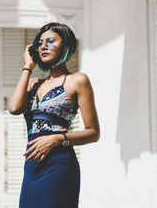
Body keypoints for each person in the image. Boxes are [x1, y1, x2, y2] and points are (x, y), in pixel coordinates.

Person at [8, 22, 100, 208]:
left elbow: (93, 132)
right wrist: (28, 66)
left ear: (65, 45)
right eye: (40, 43)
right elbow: (14, 108)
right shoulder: (32, 83)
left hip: (59, 165)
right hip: (33, 167)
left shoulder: (78, 81)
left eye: (50, 41)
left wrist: (58, 139)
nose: (43, 46)